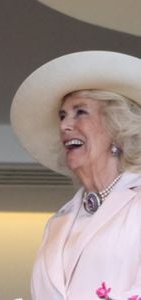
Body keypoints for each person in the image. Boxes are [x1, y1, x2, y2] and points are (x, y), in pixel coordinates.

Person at [10, 51, 141, 299]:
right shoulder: (58, 221)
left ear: (117, 126)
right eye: (62, 116)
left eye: (80, 112)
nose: (64, 126)